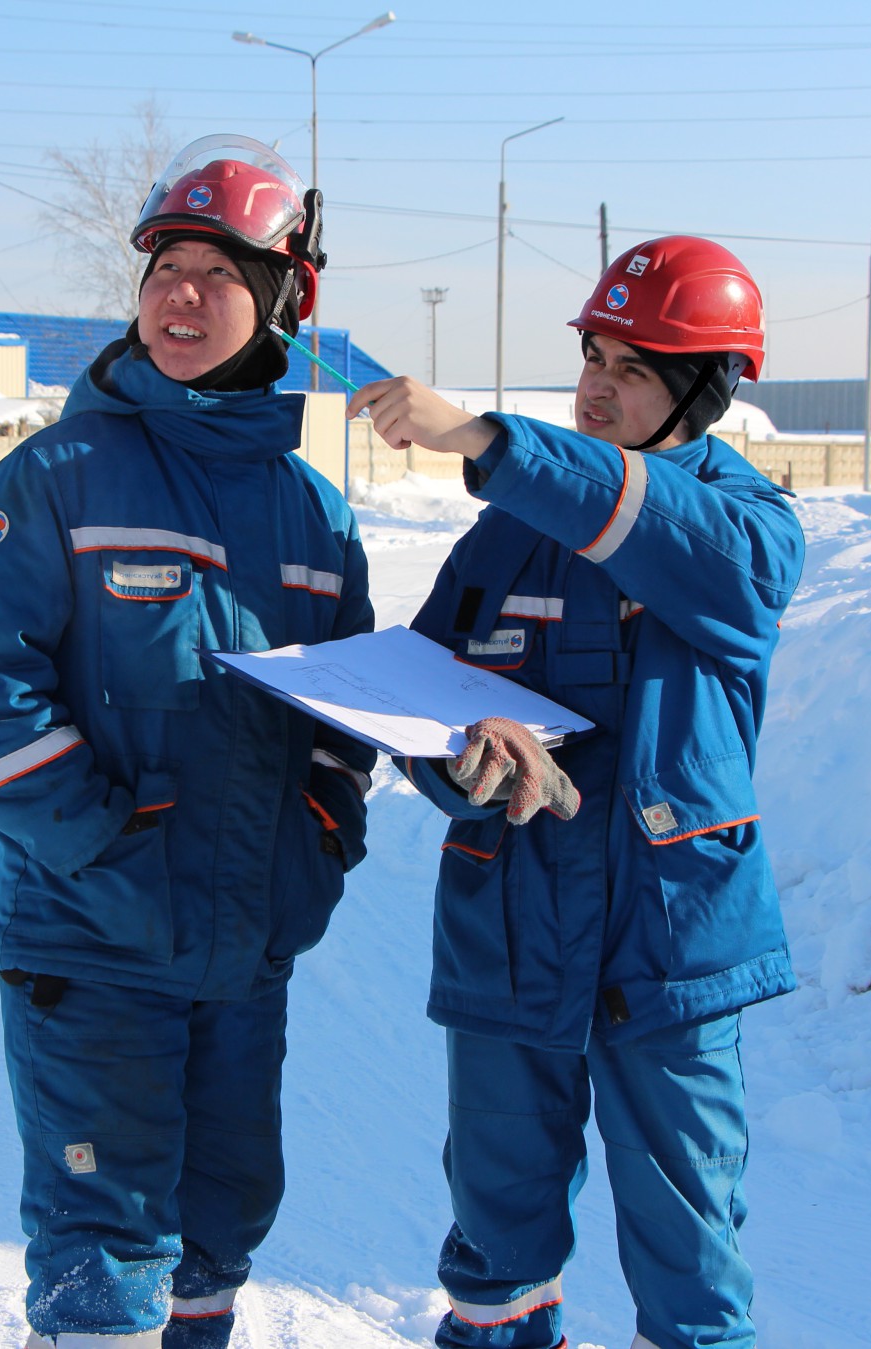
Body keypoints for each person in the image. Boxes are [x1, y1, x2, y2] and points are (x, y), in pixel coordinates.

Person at [0, 134, 375, 1349]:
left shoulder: (312, 510)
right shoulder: (61, 474)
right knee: (104, 1244)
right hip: (93, 938)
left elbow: (345, 706)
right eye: (163, 268)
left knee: (221, 1221)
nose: (181, 294)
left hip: (245, 947)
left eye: (219, 271)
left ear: (283, 297)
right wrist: (104, 844)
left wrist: (323, 835)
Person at [347, 236, 806, 1349]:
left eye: (636, 366)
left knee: (689, 1244)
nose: (598, 383)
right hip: (511, 922)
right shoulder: (508, 533)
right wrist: (456, 759)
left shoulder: (748, 530)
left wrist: (490, 440)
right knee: (494, 1234)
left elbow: (656, 527)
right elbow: (420, 685)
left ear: (707, 387)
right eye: (593, 355)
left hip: (668, 940)